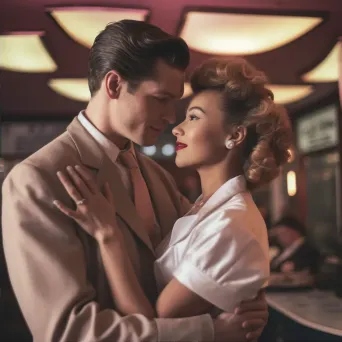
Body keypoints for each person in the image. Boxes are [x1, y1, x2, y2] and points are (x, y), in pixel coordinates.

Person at [2, 20, 269, 342]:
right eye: (160, 99)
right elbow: (66, 332)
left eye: (176, 102)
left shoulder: (156, 174)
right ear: (114, 85)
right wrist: (209, 331)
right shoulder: (37, 180)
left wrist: (240, 295)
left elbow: (206, 260)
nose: (172, 117)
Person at [55, 56, 292, 330]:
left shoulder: (231, 225)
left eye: (193, 118)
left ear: (235, 136)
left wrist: (108, 236)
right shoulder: (203, 207)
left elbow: (150, 325)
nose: (177, 128)